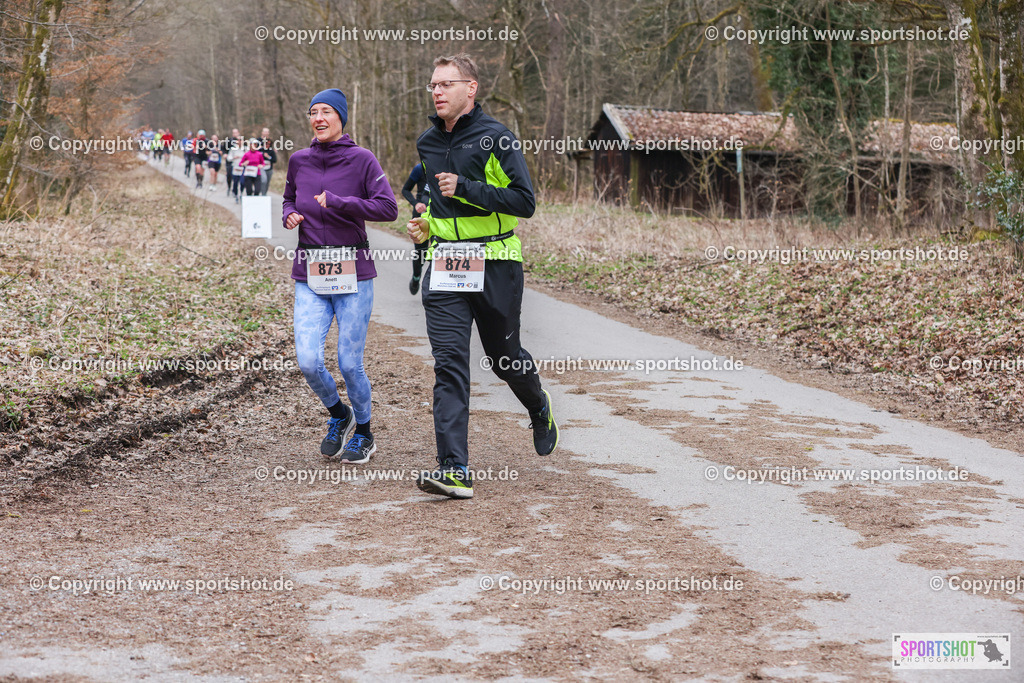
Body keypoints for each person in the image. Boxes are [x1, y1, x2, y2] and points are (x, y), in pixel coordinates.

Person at [408, 53, 558, 500]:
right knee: (449, 364)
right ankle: (454, 470)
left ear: (470, 89)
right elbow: (438, 205)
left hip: (494, 264)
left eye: (446, 84)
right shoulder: (428, 143)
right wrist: (425, 225)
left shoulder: (497, 138)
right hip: (446, 266)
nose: (436, 92)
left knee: (503, 357)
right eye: (432, 85)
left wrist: (468, 189)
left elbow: (524, 202)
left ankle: (538, 406)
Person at [283, 88, 398, 463]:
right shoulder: (299, 160)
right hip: (310, 272)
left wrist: (341, 202)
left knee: (350, 363)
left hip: (354, 272)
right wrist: (290, 215)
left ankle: (364, 431)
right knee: (308, 360)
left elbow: (388, 208)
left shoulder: (362, 159)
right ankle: (339, 414)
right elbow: (288, 197)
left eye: (326, 111)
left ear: (340, 118)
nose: (318, 118)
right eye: (313, 111)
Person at [401, 162, 430, 294]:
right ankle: (416, 277)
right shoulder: (419, 168)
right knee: (420, 253)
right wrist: (415, 203)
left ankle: (437, 283)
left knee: (440, 250)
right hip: (421, 214)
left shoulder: (446, 166)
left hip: (440, 215)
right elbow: (405, 190)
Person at [259, 127, 278, 195]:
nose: (267, 145)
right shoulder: (259, 146)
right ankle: (260, 194)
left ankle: (264, 194)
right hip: (261, 167)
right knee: (263, 180)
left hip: (269, 168)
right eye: (265, 132)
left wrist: (269, 156)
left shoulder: (271, 150)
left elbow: (274, 160)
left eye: (268, 144)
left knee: (267, 182)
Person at [224, 128, 240, 194]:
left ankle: (235, 189)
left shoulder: (241, 140)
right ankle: (229, 187)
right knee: (229, 175)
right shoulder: (229, 141)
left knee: (236, 176)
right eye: (234, 133)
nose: (235, 134)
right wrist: (225, 154)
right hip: (230, 160)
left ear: (238, 133)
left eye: (236, 133)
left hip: (238, 161)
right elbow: (224, 149)